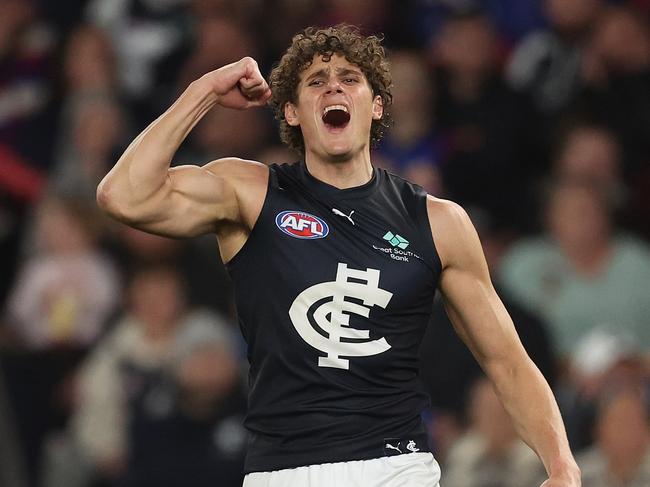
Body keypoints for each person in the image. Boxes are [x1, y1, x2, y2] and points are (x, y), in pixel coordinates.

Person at [97, 24, 580, 487]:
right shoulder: (250, 192)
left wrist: (562, 465)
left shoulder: (438, 222)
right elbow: (124, 197)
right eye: (316, 82)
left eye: (350, 79)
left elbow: (506, 361)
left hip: (394, 469)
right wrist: (203, 90)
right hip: (280, 471)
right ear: (291, 112)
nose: (334, 90)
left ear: (375, 106)